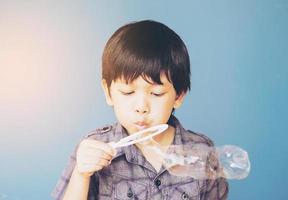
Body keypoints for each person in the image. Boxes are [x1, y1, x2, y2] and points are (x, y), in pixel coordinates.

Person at [52, 20, 228, 200]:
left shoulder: (201, 150)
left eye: (156, 94)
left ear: (178, 96)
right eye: (128, 92)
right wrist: (81, 175)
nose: (141, 108)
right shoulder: (92, 147)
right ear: (108, 92)